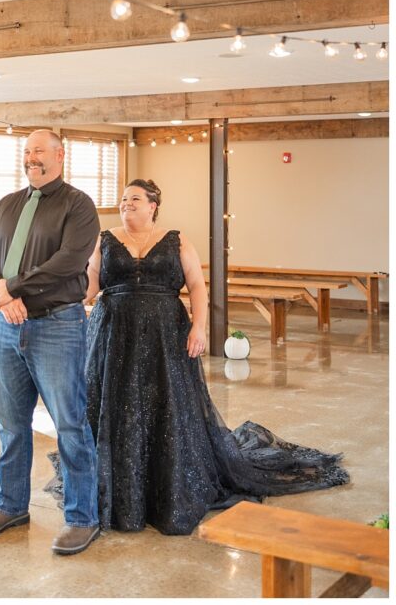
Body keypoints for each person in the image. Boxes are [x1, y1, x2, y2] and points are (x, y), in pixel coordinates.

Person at [77, 178, 349, 535]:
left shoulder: (176, 240)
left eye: (135, 199)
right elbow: (90, 285)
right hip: (114, 335)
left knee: (166, 403)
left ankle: (167, 482)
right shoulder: (104, 240)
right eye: (124, 199)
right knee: (120, 404)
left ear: (153, 205)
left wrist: (199, 327)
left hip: (165, 335)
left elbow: (197, 286)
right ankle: (122, 487)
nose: (127, 204)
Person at [0, 129, 102, 556]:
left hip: (58, 325)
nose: (31, 158)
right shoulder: (7, 204)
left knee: (69, 422)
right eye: (26, 151)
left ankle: (82, 518)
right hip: (8, 326)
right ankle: (10, 506)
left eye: (39, 151)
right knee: (10, 422)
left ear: (60, 155)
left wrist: (14, 290)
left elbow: (69, 262)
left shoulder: (78, 205)